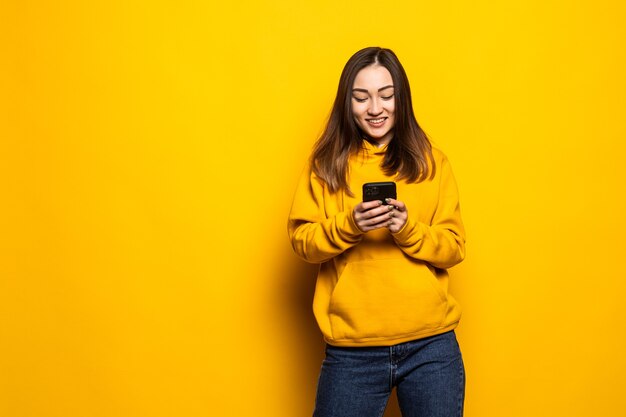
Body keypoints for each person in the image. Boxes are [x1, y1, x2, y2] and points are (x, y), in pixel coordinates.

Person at [287, 47, 466, 417]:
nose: (375, 108)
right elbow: (302, 243)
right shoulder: (325, 166)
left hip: (431, 346)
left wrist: (408, 230)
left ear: (402, 98)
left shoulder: (434, 162)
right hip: (352, 350)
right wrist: (350, 225)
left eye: (387, 95)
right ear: (346, 102)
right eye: (361, 97)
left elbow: (454, 247)